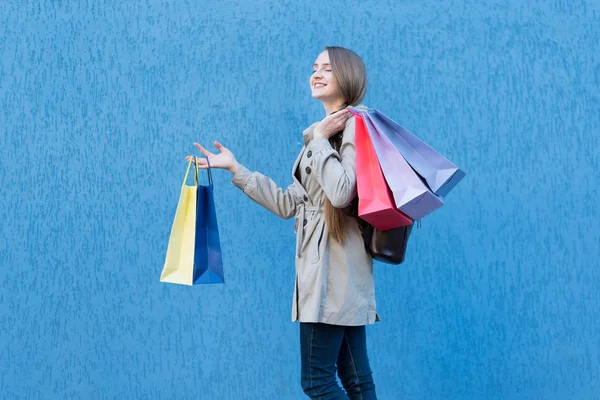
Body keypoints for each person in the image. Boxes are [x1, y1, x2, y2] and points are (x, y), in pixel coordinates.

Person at [187, 46, 378, 400]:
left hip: (329, 274)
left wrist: (320, 140)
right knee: (355, 378)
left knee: (318, 382)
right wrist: (235, 168)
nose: (316, 73)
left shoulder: (352, 128)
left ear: (348, 76)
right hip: (340, 271)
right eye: (314, 67)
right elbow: (290, 203)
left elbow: (341, 192)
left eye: (328, 69)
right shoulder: (323, 132)